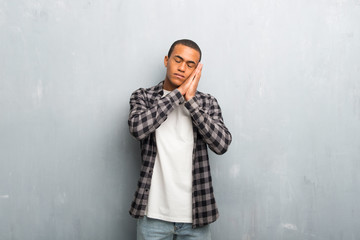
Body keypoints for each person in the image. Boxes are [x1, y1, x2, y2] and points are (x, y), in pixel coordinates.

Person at [128, 39, 232, 240]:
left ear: (197, 69)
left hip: (196, 217)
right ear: (167, 60)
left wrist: (191, 102)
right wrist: (178, 95)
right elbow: (137, 129)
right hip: (152, 217)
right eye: (178, 60)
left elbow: (222, 144)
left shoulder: (207, 102)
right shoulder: (143, 97)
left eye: (190, 64)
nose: (182, 68)